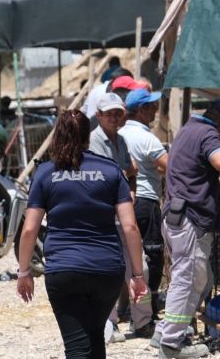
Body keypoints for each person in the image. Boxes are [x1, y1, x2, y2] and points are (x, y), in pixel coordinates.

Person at [16, 109, 148, 359]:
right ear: (88, 137)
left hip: (64, 270)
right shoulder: (111, 171)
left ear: (57, 136)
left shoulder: (44, 173)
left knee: (77, 345)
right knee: (95, 336)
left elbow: (30, 228)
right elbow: (130, 227)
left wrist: (24, 272)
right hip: (107, 270)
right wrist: (138, 275)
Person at [154, 98, 220, 358]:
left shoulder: (188, 128)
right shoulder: (207, 132)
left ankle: (166, 332)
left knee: (201, 280)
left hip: (178, 214)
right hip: (191, 217)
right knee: (188, 280)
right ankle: (171, 344)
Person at [89, 92, 153, 340]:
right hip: (104, 217)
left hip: (124, 215)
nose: (115, 118)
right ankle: (109, 323)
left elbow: (129, 171)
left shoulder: (121, 141)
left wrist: (132, 189)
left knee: (141, 268)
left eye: (119, 113)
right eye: (110, 114)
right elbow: (111, 175)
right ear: (99, 115)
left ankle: (143, 321)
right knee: (108, 272)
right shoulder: (93, 142)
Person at [119, 88, 168, 318]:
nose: (156, 110)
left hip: (124, 203)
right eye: (150, 107)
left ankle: (126, 307)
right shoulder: (147, 138)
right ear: (139, 111)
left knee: (127, 255)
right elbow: (170, 166)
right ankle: (148, 309)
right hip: (146, 200)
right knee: (152, 254)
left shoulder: (119, 136)